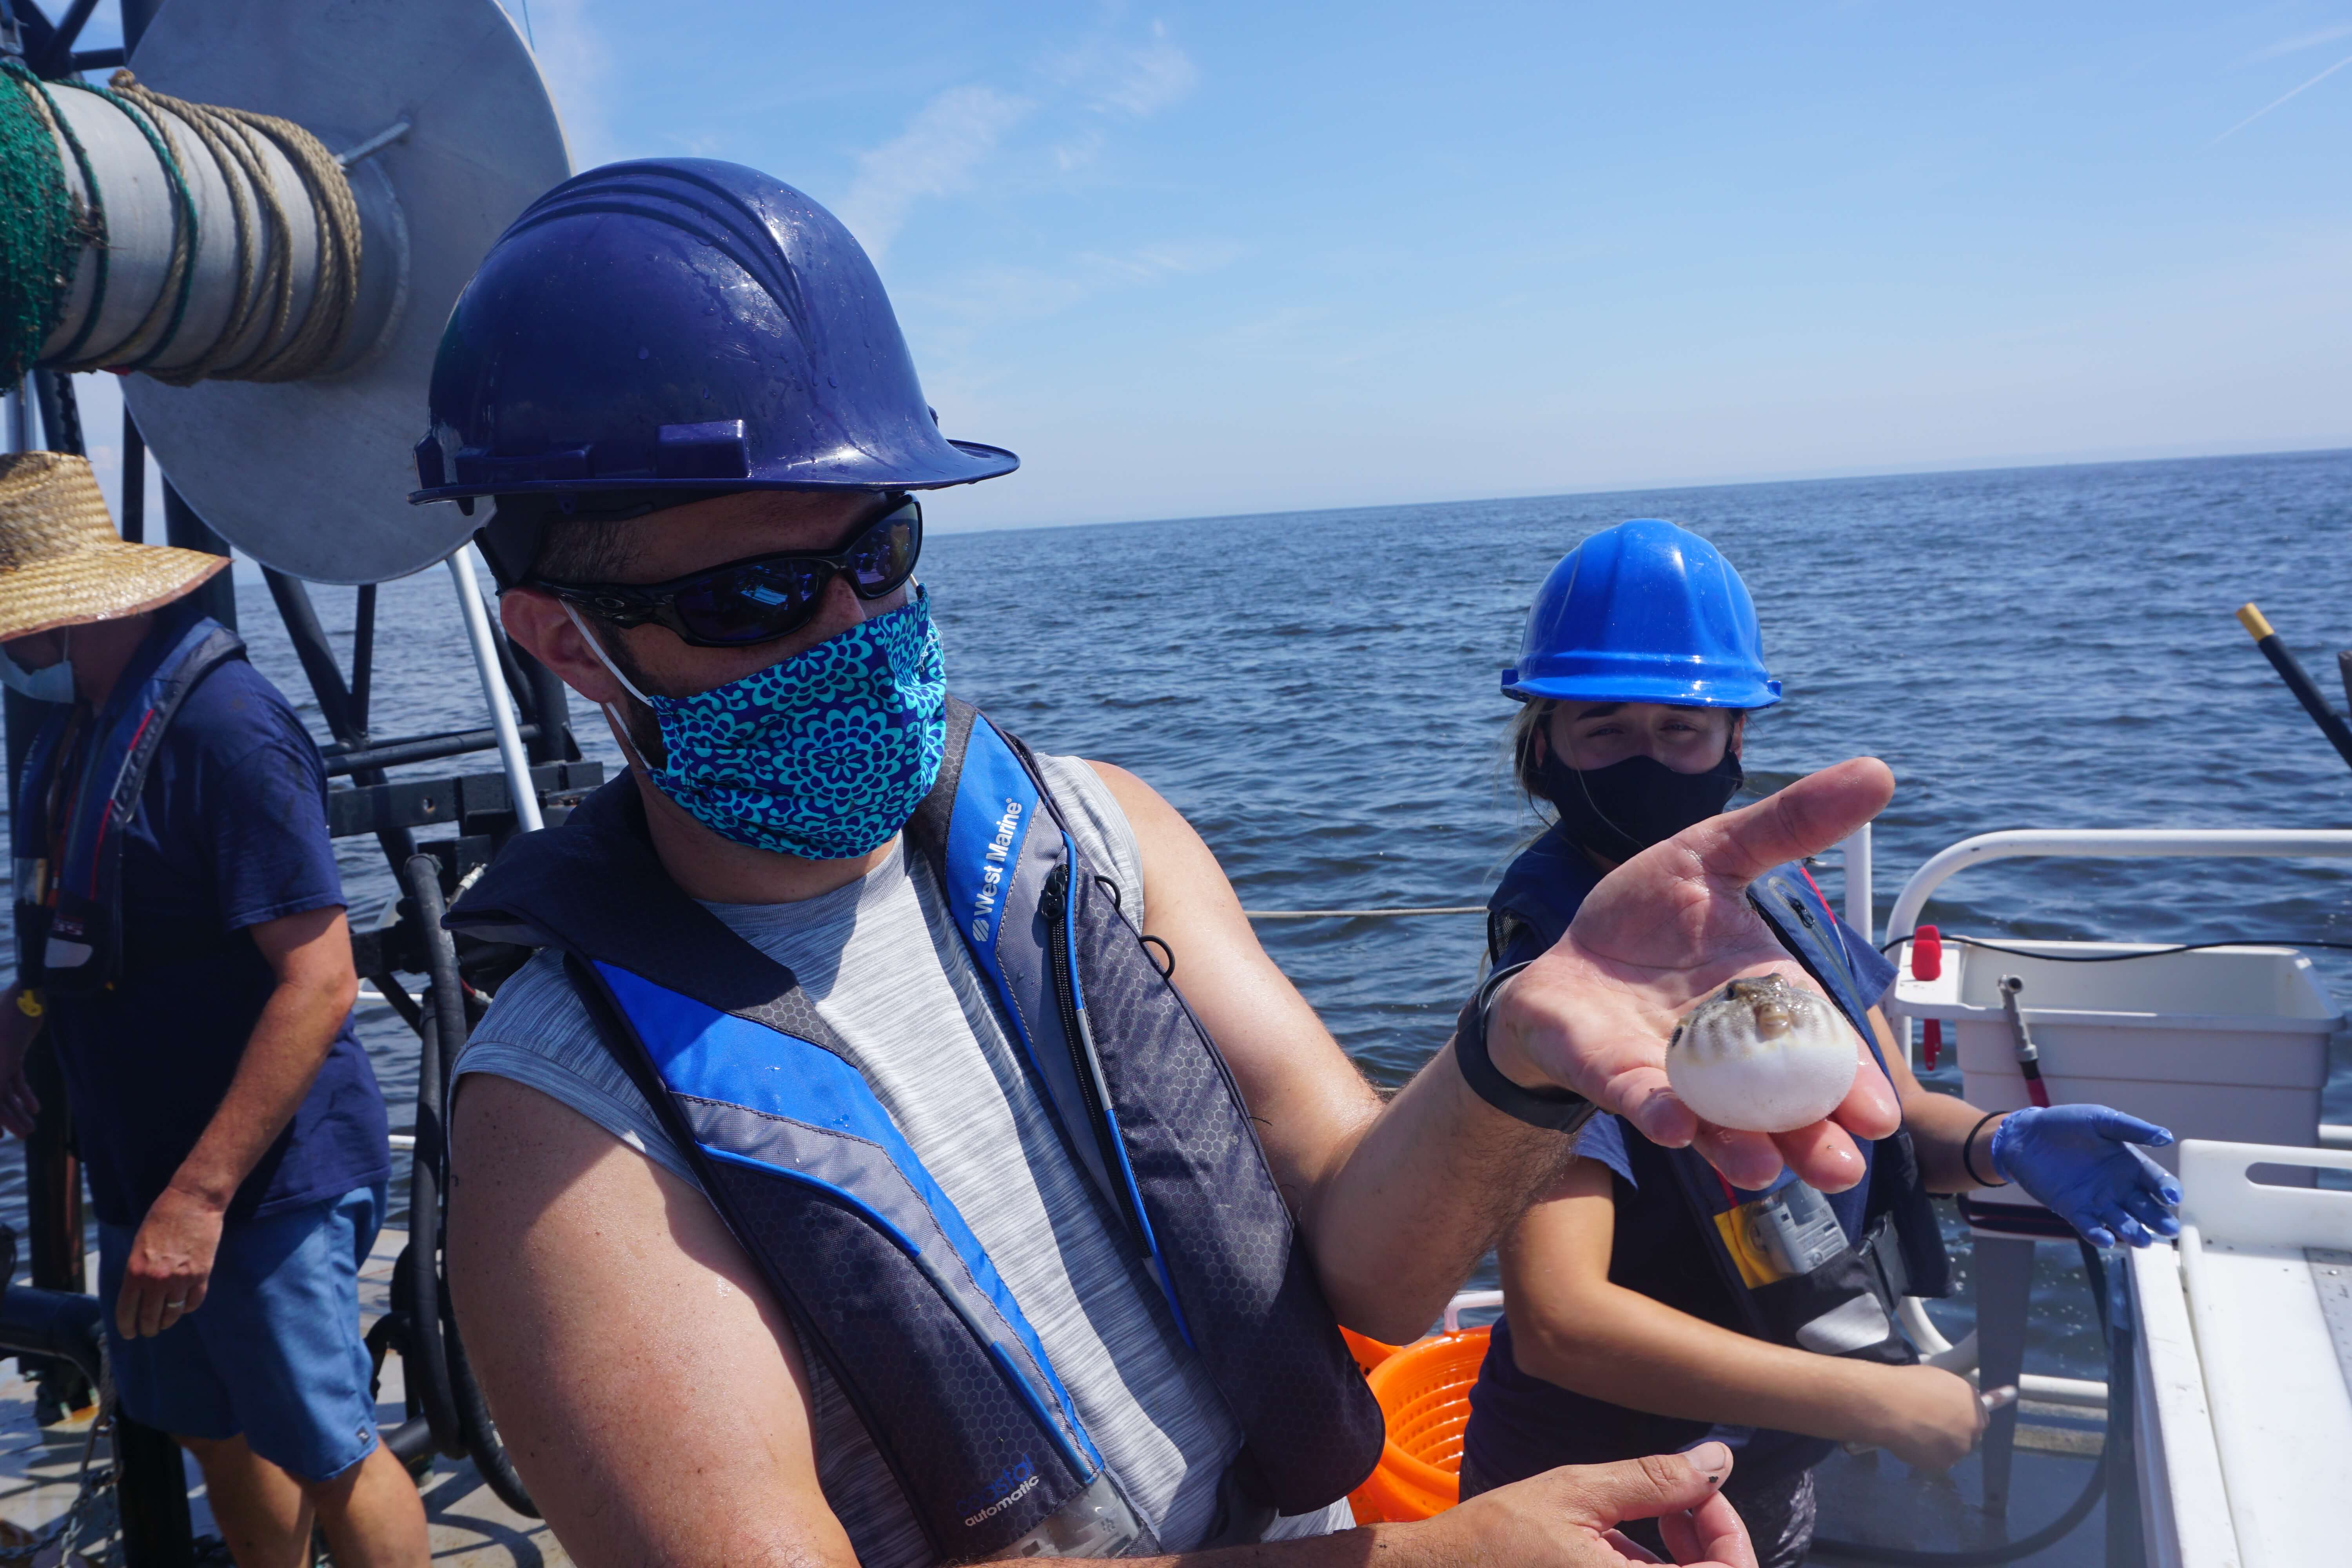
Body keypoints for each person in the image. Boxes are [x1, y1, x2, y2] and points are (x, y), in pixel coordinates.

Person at [417, 159, 1906, 1568]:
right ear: (567, 640)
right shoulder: (563, 1133)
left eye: (878, 554)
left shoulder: (1102, 838)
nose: (848, 633)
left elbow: (1368, 1259)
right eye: (751, 597)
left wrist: (1515, 1055)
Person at [1456, 519, 2183, 1567]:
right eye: (1602, 728)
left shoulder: (1782, 898)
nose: (1647, 757)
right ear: (1545, 747)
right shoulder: (1559, 977)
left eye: (1683, 729)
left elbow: (1886, 1109)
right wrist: (1872, 1395)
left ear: (1735, 745)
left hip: (1770, 1457)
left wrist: (1997, 1144)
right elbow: (1562, 1321)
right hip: (1604, 1488)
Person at [0, 452, 426, 1568]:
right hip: (142, 1177)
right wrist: (29, 1006)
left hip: (257, 1186)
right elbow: (95, 915)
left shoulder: (228, 732)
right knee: (216, 1433)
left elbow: (322, 978)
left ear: (71, 606)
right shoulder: (71, 734)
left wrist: (199, 1199)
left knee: (330, 1449)